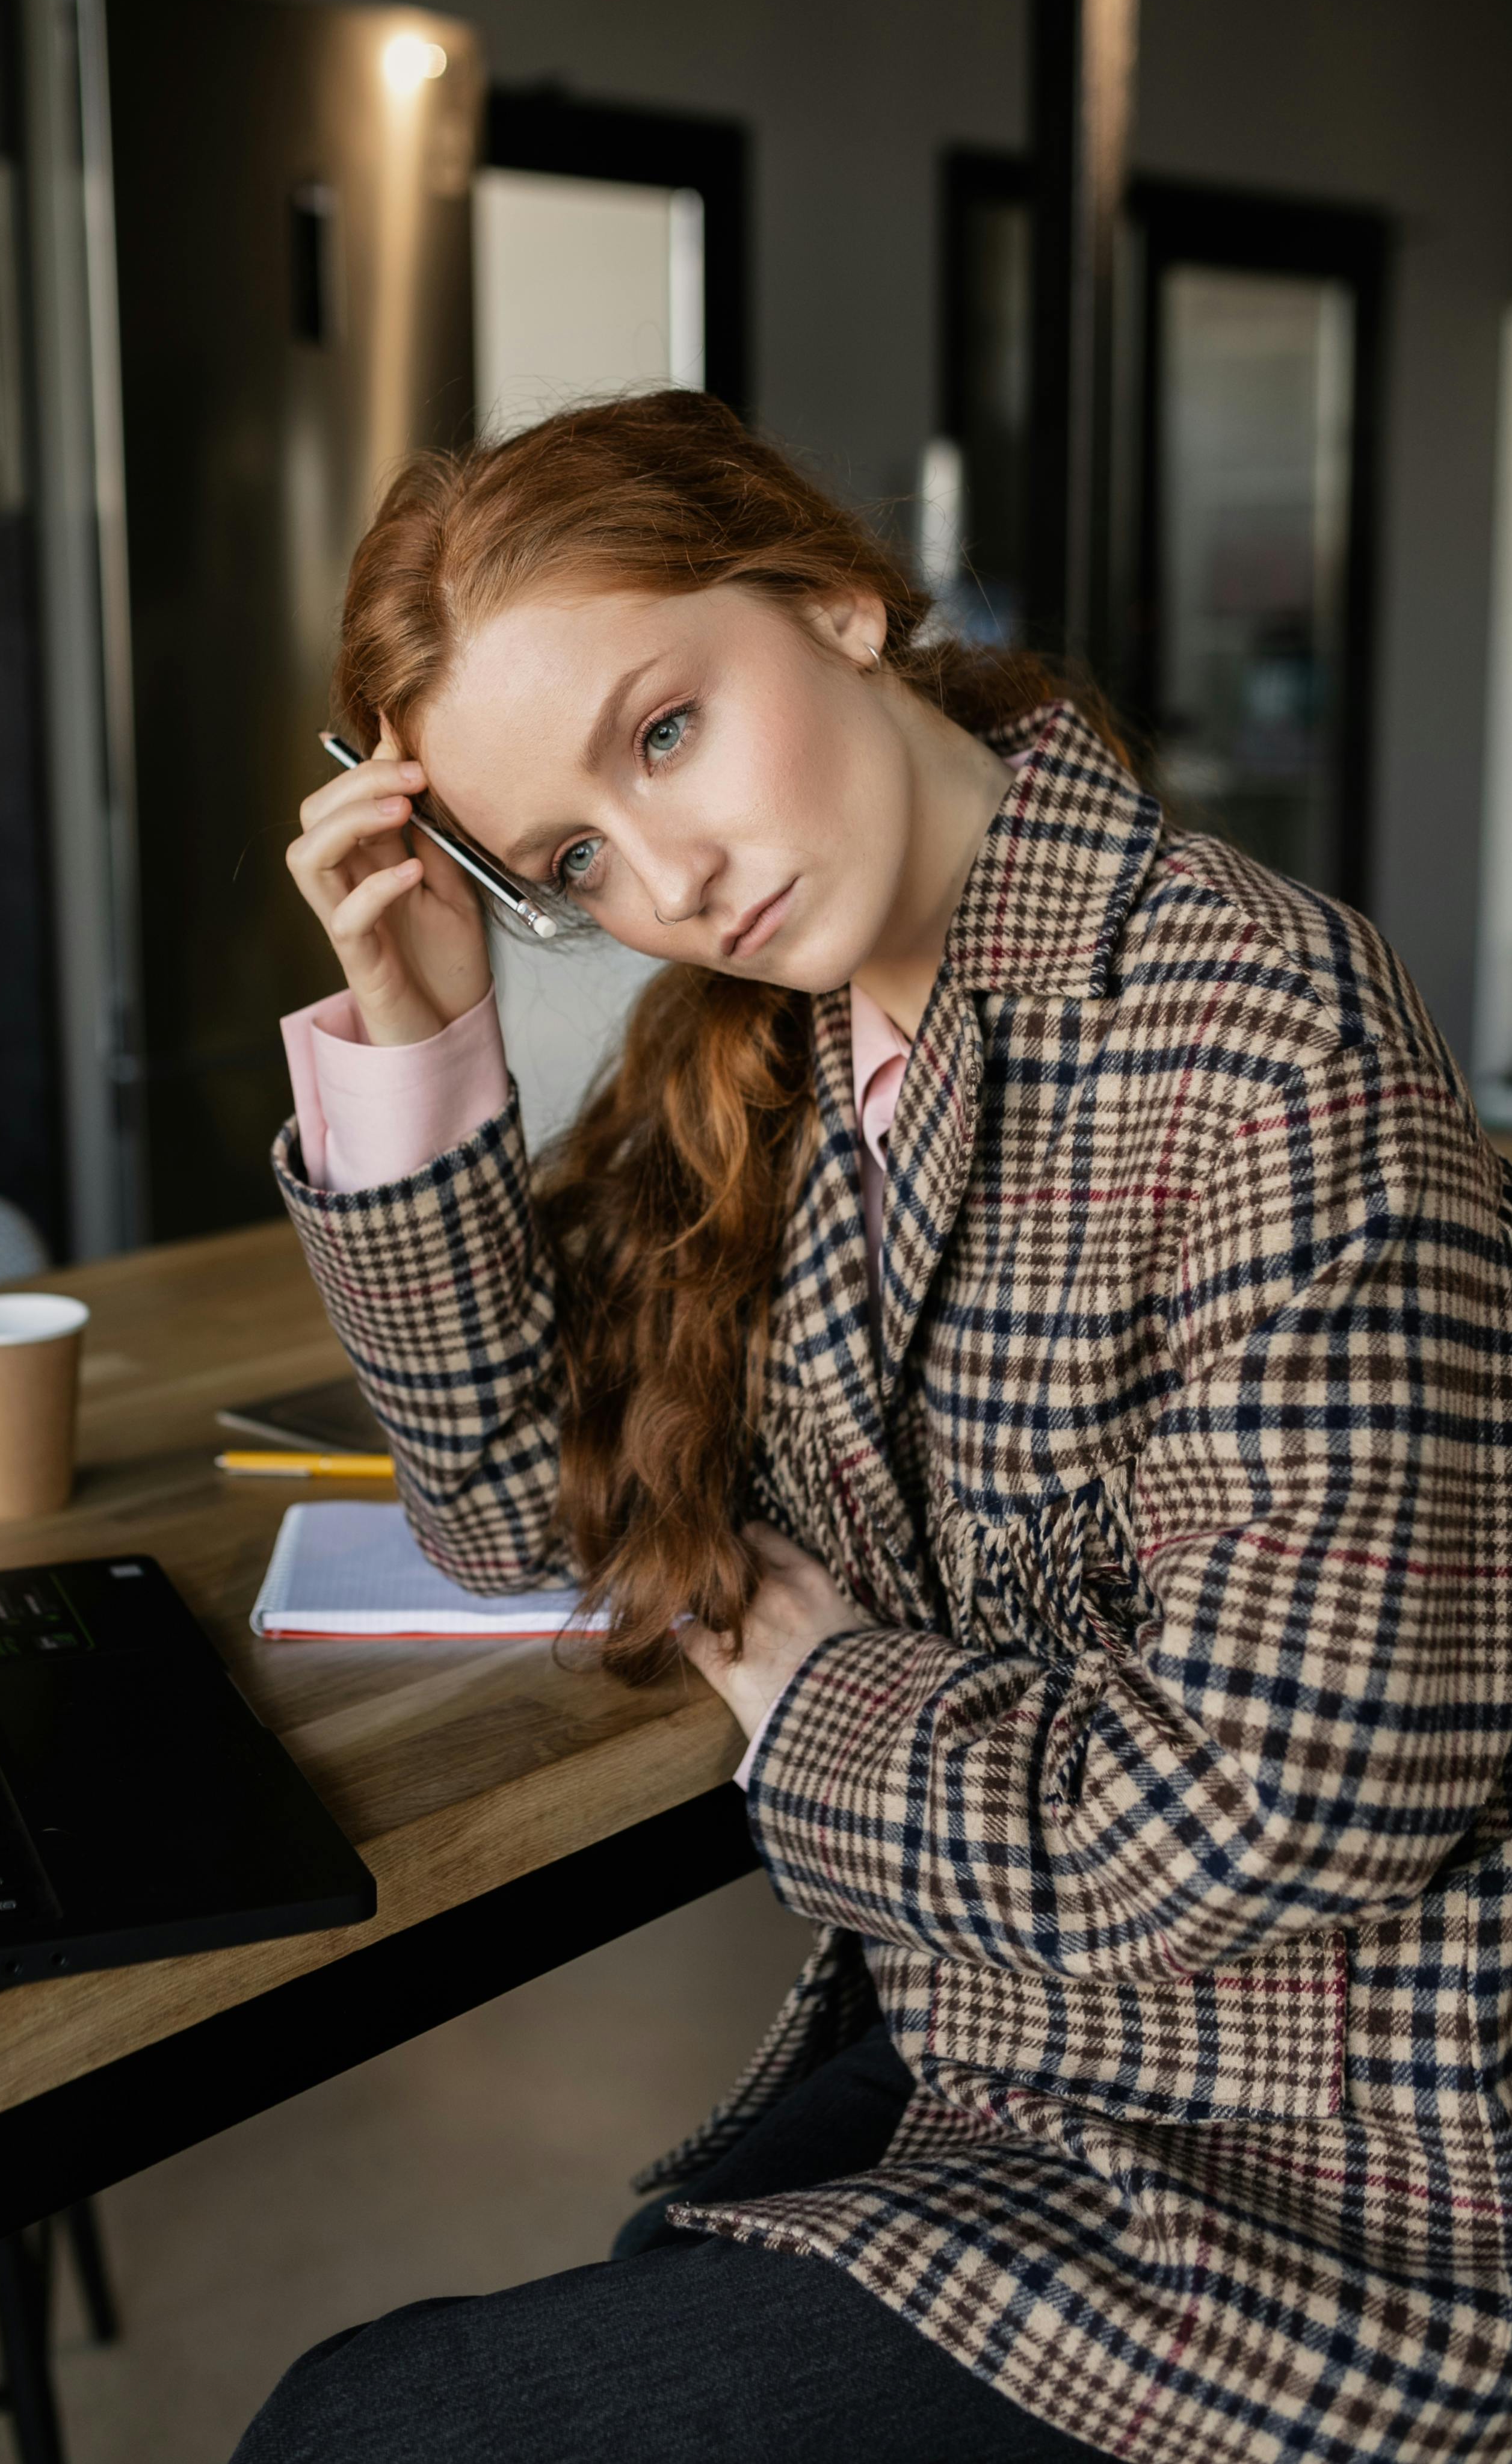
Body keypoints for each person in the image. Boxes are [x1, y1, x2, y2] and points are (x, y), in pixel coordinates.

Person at [234, 392, 1512, 2464]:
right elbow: (497, 1506)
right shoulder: (780, 1042)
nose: (668, 875)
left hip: (1346, 2155)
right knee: (508, 2359)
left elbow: (1280, 1812)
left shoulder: (1263, 1031)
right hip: (1014, 2030)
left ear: (833, 600)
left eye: (663, 731)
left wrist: (818, 1694)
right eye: (569, 857)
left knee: (377, 2435)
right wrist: (419, 1029)